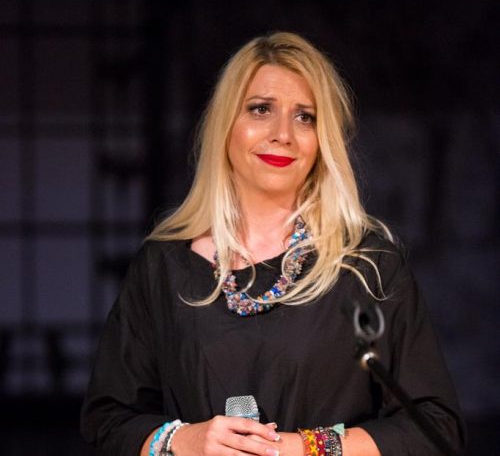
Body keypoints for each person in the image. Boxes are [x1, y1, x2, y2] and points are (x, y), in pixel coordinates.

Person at [81, 32, 466, 455]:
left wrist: (303, 448)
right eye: (260, 109)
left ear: (323, 139)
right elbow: (108, 420)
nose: (283, 133)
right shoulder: (162, 266)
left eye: (305, 117)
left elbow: (433, 428)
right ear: (225, 124)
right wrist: (184, 441)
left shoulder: (368, 268)